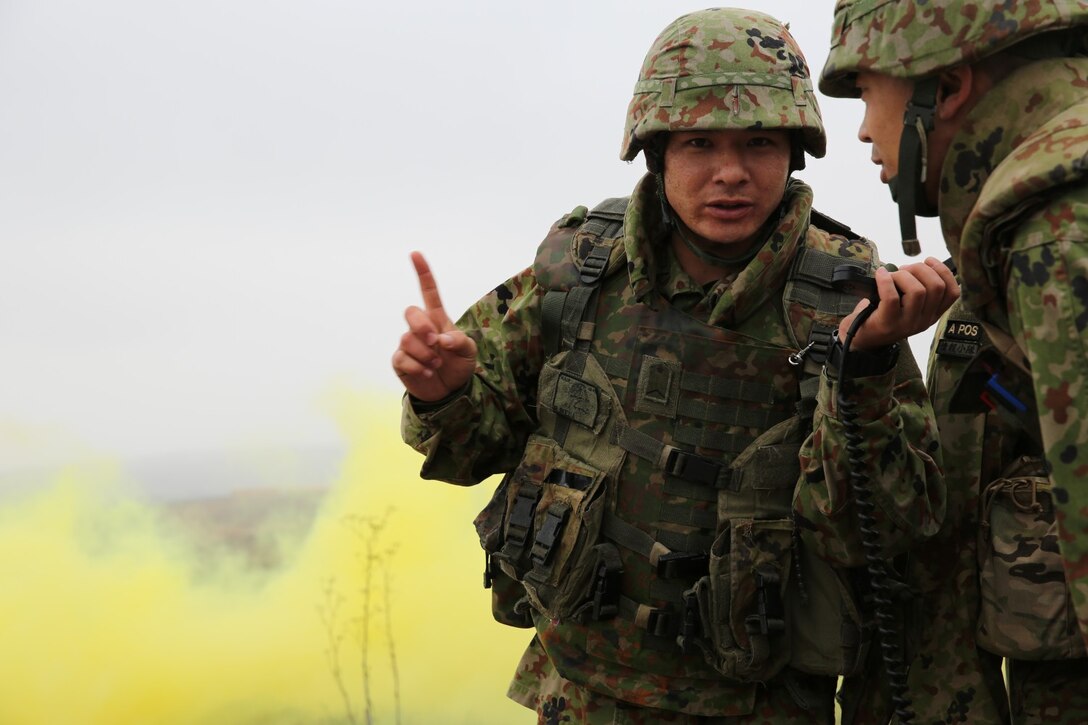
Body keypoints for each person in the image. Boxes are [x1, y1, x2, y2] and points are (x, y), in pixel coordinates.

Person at [394, 8, 953, 723]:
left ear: (794, 150)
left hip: (760, 704)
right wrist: (446, 392)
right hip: (581, 692)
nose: (730, 173)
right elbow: (474, 445)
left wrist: (867, 369)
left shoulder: (845, 298)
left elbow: (888, 531)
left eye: (758, 142)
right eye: (699, 143)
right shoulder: (580, 268)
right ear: (656, 152)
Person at [819, 1, 1088, 722]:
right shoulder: (1011, 244)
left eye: (868, 91)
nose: (863, 130)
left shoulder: (1055, 226)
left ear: (949, 85)